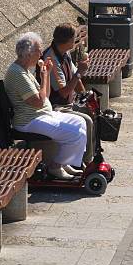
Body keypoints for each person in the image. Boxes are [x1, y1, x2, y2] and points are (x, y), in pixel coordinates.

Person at [4, 32, 87, 180]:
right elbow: (38, 102)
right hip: (29, 121)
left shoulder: (24, 70)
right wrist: (43, 79)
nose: (41, 53)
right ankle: (56, 166)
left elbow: (45, 96)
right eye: (38, 50)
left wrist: (46, 74)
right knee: (75, 133)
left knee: (80, 122)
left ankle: (64, 161)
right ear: (28, 53)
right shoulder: (18, 74)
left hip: (40, 114)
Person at [42, 23, 95, 165]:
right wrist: (80, 72)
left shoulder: (64, 53)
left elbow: (74, 76)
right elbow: (64, 92)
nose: (76, 40)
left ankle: (87, 155)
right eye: (74, 38)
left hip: (67, 103)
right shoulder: (51, 59)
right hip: (57, 106)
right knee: (87, 121)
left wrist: (85, 96)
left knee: (93, 112)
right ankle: (86, 162)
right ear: (68, 40)